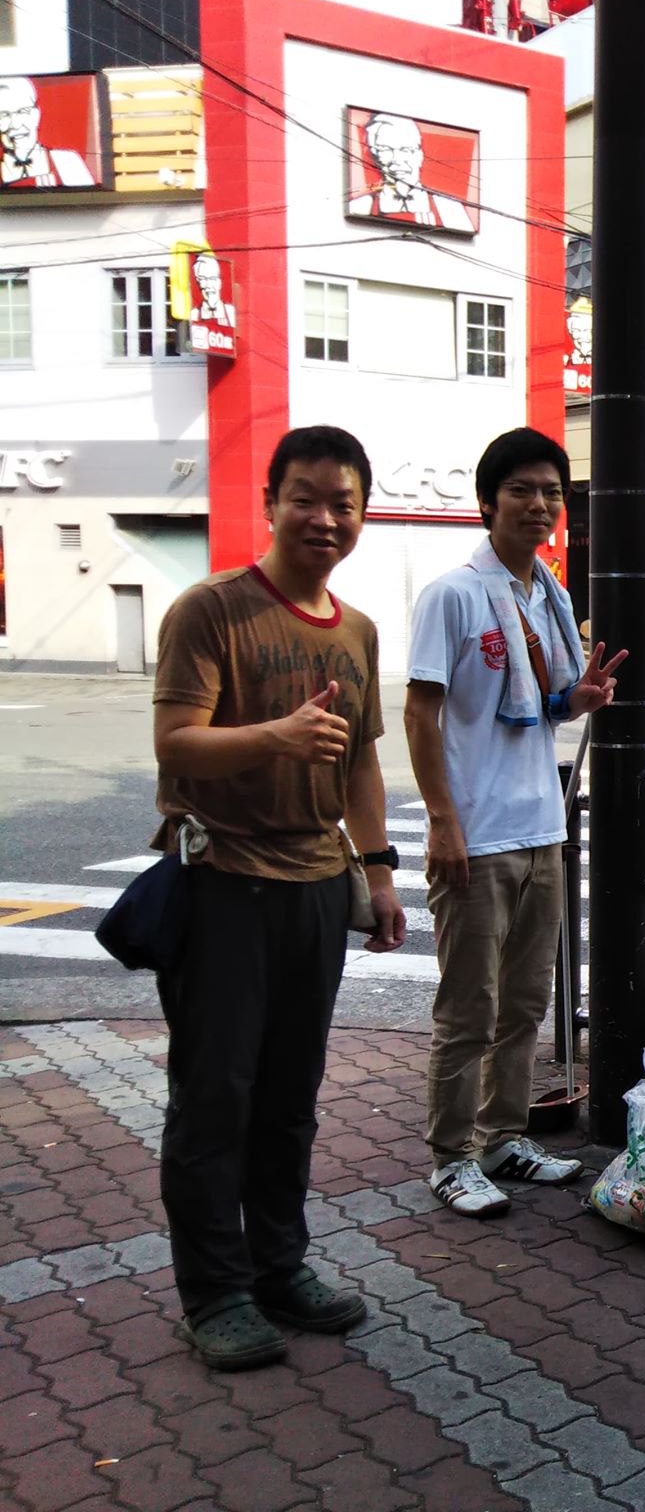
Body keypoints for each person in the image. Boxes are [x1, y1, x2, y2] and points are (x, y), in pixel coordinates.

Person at [151, 425, 407, 1370]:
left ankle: (279, 1268)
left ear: (362, 515)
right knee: (216, 1095)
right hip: (222, 883)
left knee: (291, 1097)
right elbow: (177, 744)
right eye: (306, 497)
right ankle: (214, 1293)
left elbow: (365, 759)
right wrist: (278, 736)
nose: (324, 518)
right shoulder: (210, 610)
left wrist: (377, 871)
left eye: (344, 502)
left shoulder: (357, 630)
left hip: (314, 887)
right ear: (271, 501)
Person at [405, 428, 626, 1217]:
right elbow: (421, 713)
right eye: (523, 490)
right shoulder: (455, 595)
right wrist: (441, 822)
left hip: (542, 828)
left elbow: (541, 711)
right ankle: (450, 1155)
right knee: (468, 1009)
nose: (539, 505)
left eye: (552, 493)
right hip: (475, 833)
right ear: (489, 502)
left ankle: (502, 1136)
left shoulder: (550, 596)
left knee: (528, 1004)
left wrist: (581, 701)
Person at [347, 112, 477, 232]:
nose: (397, 160)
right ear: (374, 156)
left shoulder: (450, 209)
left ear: (419, 156)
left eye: (406, 150)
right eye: (385, 150)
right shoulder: (360, 207)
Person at [1, 76, 97, 188]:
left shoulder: (67, 161)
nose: (15, 124)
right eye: (3, 115)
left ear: (36, 115)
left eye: (23, 111)